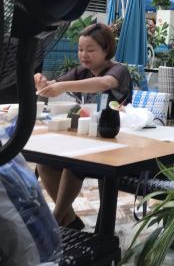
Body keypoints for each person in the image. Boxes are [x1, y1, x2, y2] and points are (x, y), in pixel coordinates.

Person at [33, 23, 132, 230]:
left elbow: (104, 84)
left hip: (117, 145)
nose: (83, 55)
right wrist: (42, 82)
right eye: (80, 49)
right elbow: (53, 85)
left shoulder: (118, 70)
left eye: (90, 50)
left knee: (74, 163)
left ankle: (54, 222)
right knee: (45, 163)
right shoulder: (81, 72)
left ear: (106, 50)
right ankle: (69, 220)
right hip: (88, 140)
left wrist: (62, 86)